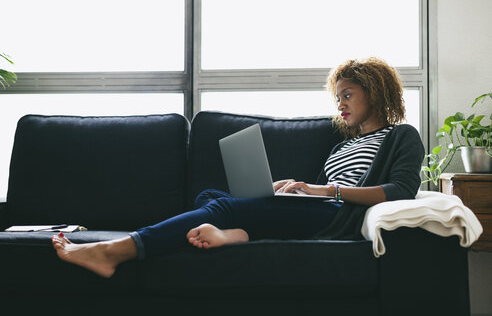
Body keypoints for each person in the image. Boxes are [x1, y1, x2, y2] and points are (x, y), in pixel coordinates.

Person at [52, 57, 424, 278]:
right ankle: (236, 234)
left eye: (348, 95)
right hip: (321, 208)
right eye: (337, 96)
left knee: (222, 207)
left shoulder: (400, 136)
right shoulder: (344, 143)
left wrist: (324, 190)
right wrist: (294, 187)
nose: (340, 104)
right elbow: (329, 187)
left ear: (374, 92)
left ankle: (117, 250)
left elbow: (400, 191)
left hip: (339, 217)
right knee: (211, 197)